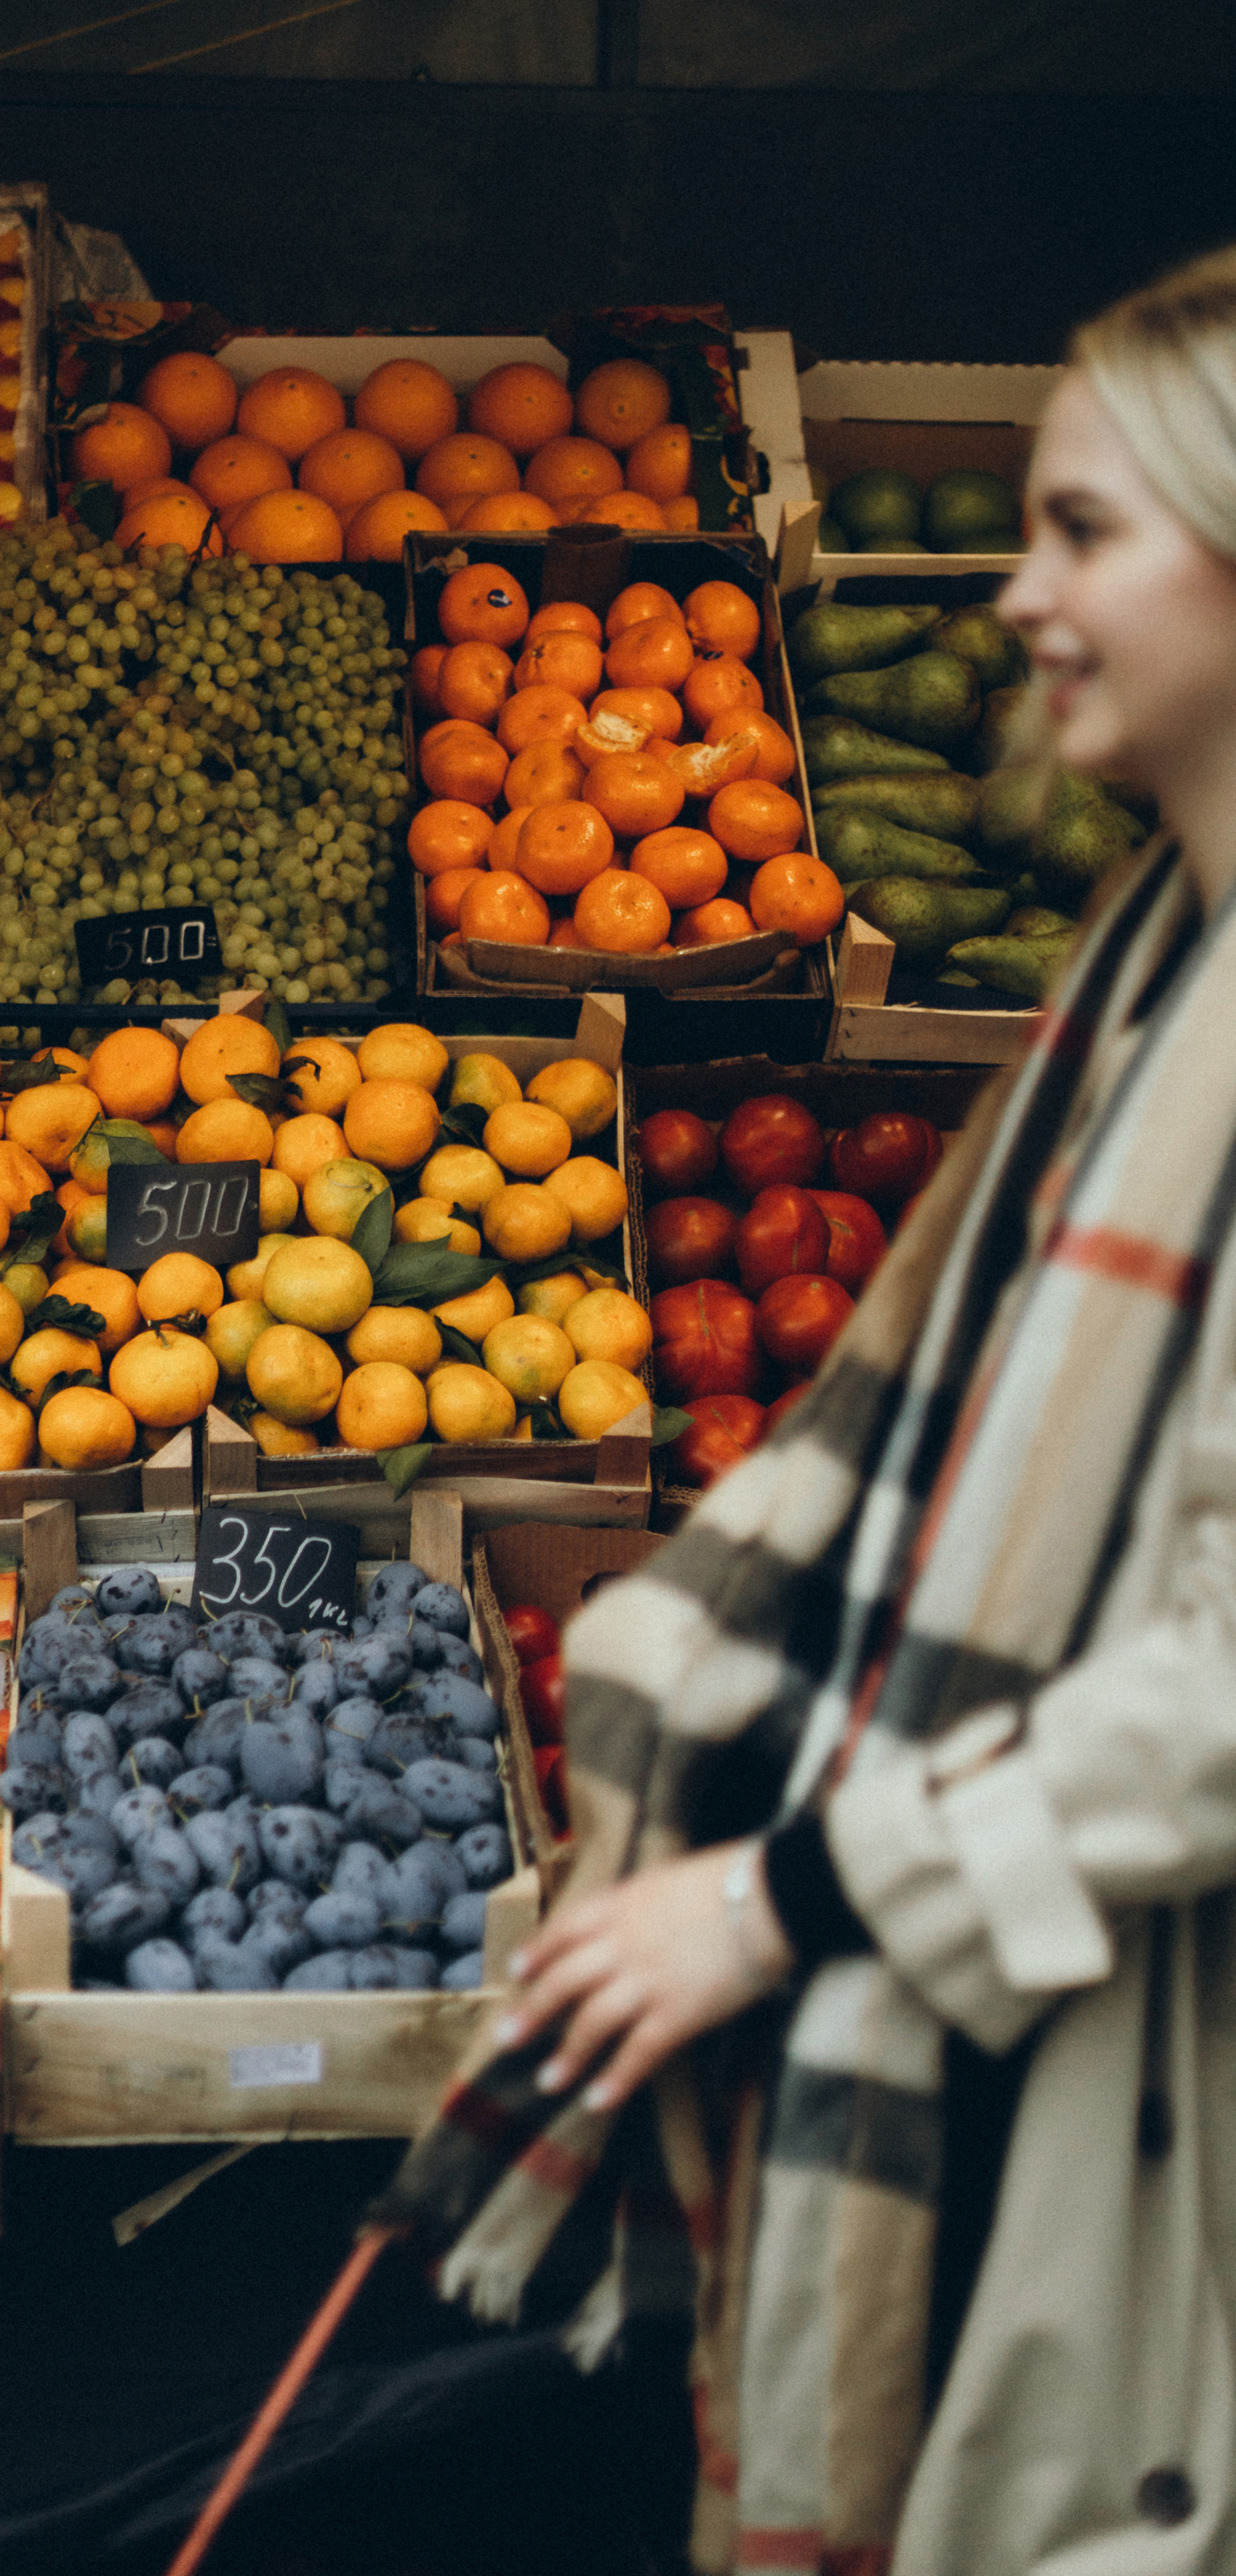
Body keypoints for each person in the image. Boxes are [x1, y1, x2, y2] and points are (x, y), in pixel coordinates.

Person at [379, 246, 1236, 2573]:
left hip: (1158, 2046)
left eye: (1083, 535)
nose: (1017, 601)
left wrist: (798, 1889)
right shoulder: (1161, 964)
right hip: (1050, 1962)